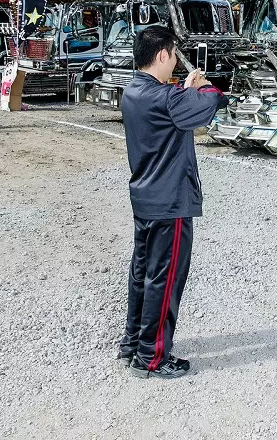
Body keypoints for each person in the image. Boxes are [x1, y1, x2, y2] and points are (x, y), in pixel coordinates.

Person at [117, 25, 228, 379]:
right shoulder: (165, 98)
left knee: (143, 275)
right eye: (174, 55)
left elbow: (170, 107)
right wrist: (202, 86)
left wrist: (184, 89)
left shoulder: (134, 91)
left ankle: (133, 343)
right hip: (170, 201)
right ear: (163, 54)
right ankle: (151, 357)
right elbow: (211, 102)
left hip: (145, 197)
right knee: (164, 281)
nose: (175, 63)